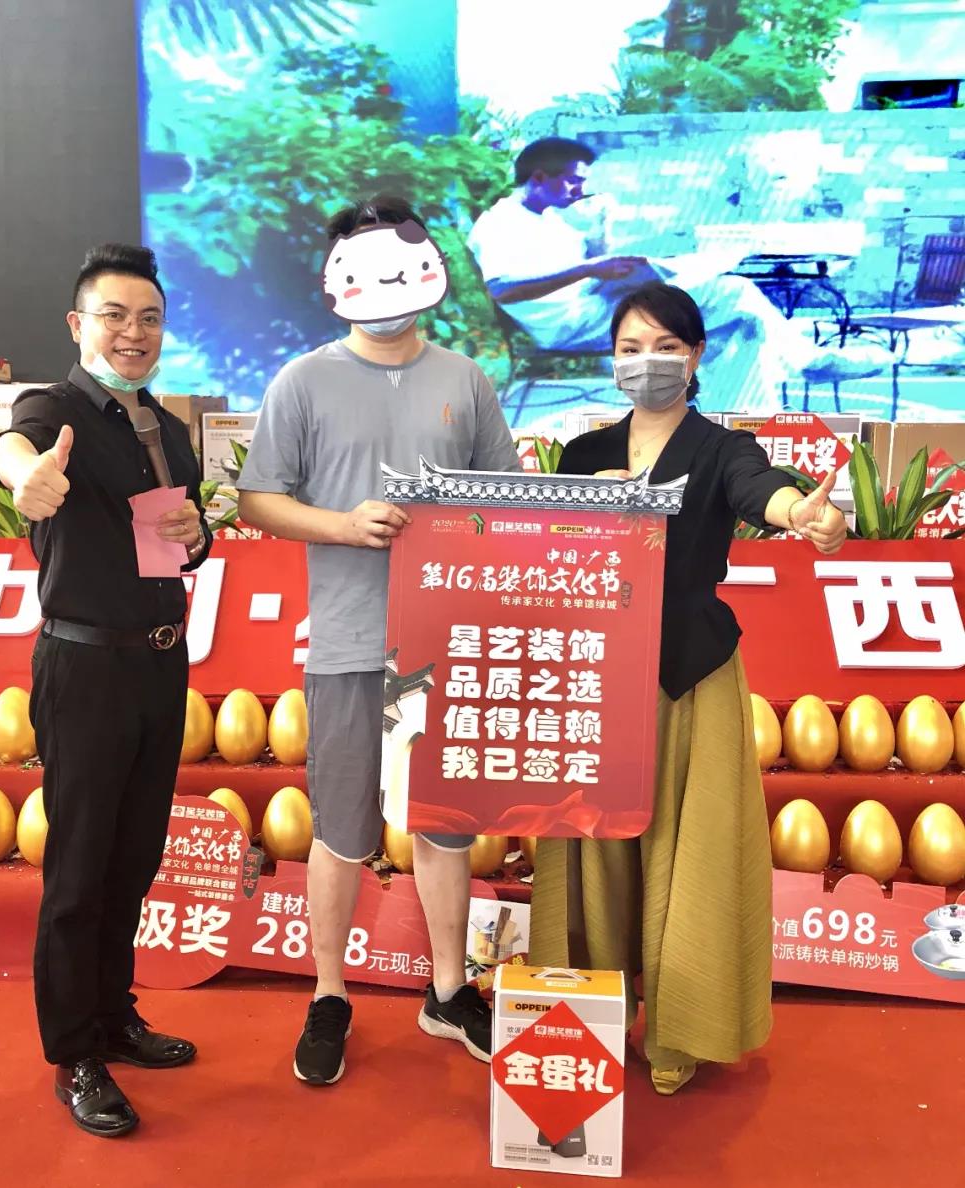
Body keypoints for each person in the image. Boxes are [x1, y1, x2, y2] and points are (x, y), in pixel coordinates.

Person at [528, 283, 847, 1096]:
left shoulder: (720, 449)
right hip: (594, 677)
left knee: (689, 851)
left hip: (687, 676)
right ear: (612, 360)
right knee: (593, 853)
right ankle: (597, 1010)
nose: (648, 364)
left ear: (697, 355)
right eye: (630, 350)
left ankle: (681, 1029)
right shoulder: (584, 454)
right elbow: (547, 554)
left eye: (665, 348)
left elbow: (762, 489)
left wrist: (802, 514)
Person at [237, 195, 522, 1086]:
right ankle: (329, 995)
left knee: (445, 827)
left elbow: (509, 498)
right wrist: (341, 524)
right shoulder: (302, 381)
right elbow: (257, 499)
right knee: (342, 827)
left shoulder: (466, 380)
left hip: (447, 643)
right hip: (350, 643)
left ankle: (448, 990)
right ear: (338, 280)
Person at [0, 244, 211, 1137]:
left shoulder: (166, 428)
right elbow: (13, 447)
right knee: (80, 869)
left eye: (149, 319)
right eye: (114, 316)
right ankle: (74, 1053)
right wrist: (26, 476)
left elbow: (179, 542)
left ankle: (115, 1016)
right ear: (79, 324)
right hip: (84, 668)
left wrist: (194, 534)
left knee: (135, 856)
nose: (133, 333)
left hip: (160, 663)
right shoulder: (57, 409)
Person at [467, 137, 850, 414]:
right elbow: (502, 290)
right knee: (733, 291)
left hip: (597, 304)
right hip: (570, 323)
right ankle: (809, 362)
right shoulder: (500, 223)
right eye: (574, 180)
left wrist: (602, 238)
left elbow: (591, 268)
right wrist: (589, 269)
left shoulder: (550, 217)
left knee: (742, 327)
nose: (580, 190)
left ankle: (745, 423)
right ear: (538, 177)